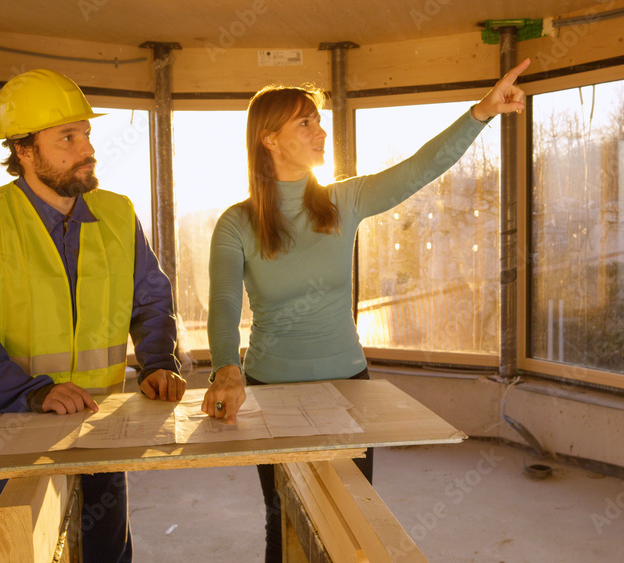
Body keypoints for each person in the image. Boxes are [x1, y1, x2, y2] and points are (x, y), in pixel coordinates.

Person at [202, 58, 530, 561]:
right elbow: (224, 301)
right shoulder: (236, 223)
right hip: (271, 391)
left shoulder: (343, 201)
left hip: (348, 386)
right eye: (305, 122)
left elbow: (420, 169)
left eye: (319, 119)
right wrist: (227, 367)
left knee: (351, 523)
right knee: (283, 522)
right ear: (268, 138)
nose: (321, 131)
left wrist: (481, 113)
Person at [0, 68, 187, 563]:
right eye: (66, 137)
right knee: (21, 553)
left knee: (105, 554)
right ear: (24, 151)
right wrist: (34, 392)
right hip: (4, 431)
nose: (86, 148)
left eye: (86, 133)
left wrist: (158, 363)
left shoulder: (117, 213)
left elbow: (151, 300)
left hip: (98, 428)